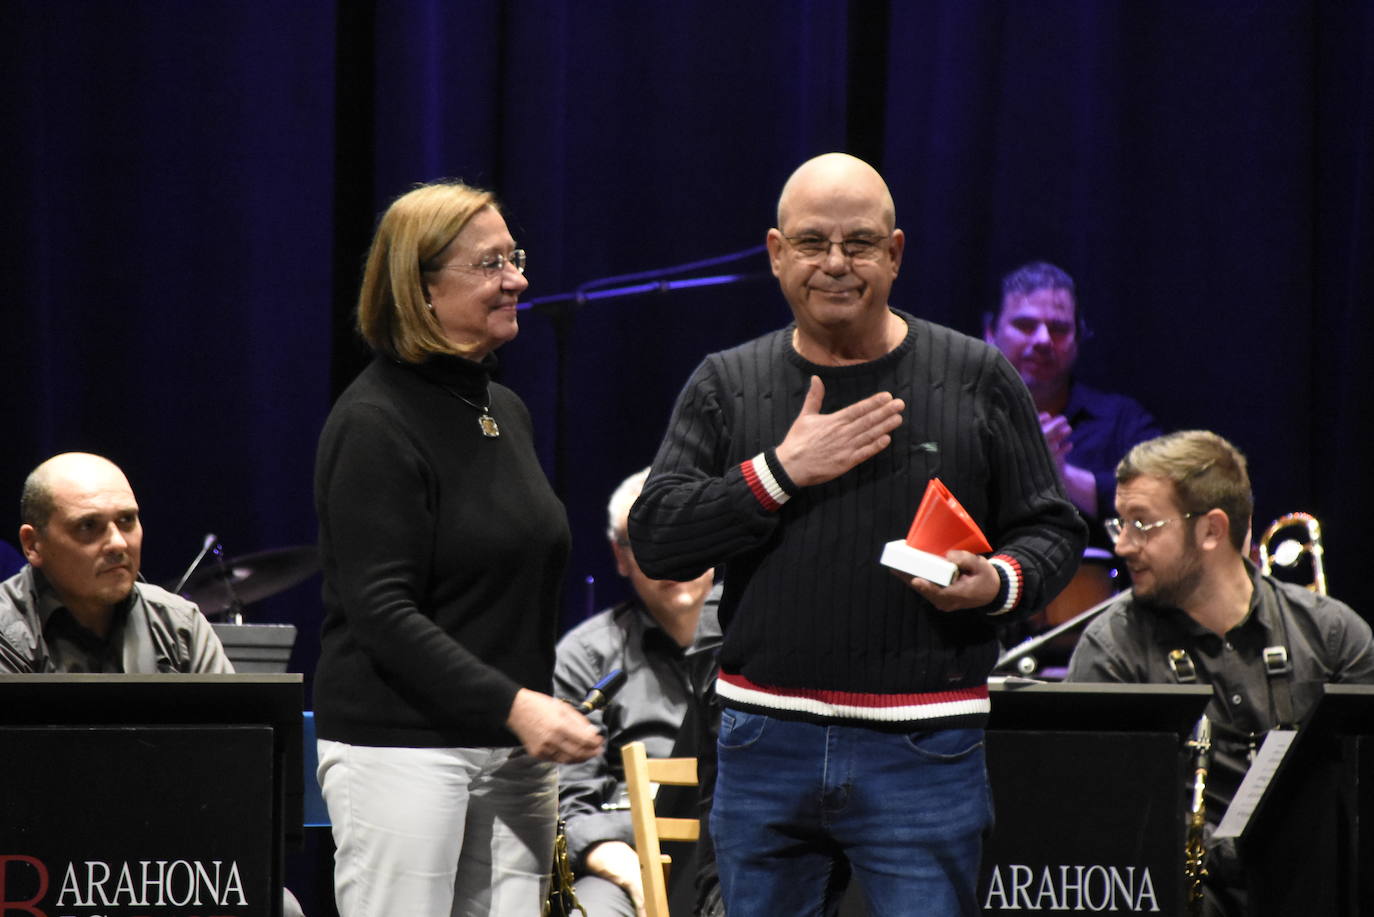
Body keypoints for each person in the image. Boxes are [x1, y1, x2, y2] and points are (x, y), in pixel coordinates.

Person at [628, 153, 1086, 915]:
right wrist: (780, 470)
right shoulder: (725, 383)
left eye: (860, 243)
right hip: (761, 744)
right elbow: (657, 538)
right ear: (776, 253)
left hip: (925, 749)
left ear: (896, 252)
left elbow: (1051, 526)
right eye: (812, 243)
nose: (835, 264)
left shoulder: (976, 376)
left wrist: (996, 581)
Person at [312, 180, 603, 917]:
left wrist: (518, 715)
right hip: (402, 749)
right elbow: (381, 609)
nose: (519, 280)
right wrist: (518, 705)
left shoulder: (503, 409)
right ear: (421, 290)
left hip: (511, 752)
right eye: (490, 264)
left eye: (515, 256)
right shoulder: (374, 421)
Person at [1066, 430, 1374, 915]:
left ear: (1211, 530)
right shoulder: (1110, 648)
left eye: (1143, 525)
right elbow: (1109, 823)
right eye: (1119, 524)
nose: (1123, 546)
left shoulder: (1333, 635)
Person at [553, 467, 720, 917]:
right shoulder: (585, 656)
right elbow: (570, 801)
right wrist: (624, 863)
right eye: (645, 540)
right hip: (626, 855)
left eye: (685, 535)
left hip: (738, 853)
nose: (668, 558)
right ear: (620, 557)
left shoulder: (761, 642)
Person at [0, 452, 233, 674]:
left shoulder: (181, 625)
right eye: (88, 525)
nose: (118, 543)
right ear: (33, 544)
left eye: (126, 520)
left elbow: (231, 716)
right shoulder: (6, 630)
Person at [984, 261, 1161, 528]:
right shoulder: (960, 411)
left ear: (1079, 337)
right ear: (991, 332)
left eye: (1059, 329)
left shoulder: (1122, 420)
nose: (1043, 340)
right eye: (1025, 325)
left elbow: (1163, 504)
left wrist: (1062, 476)